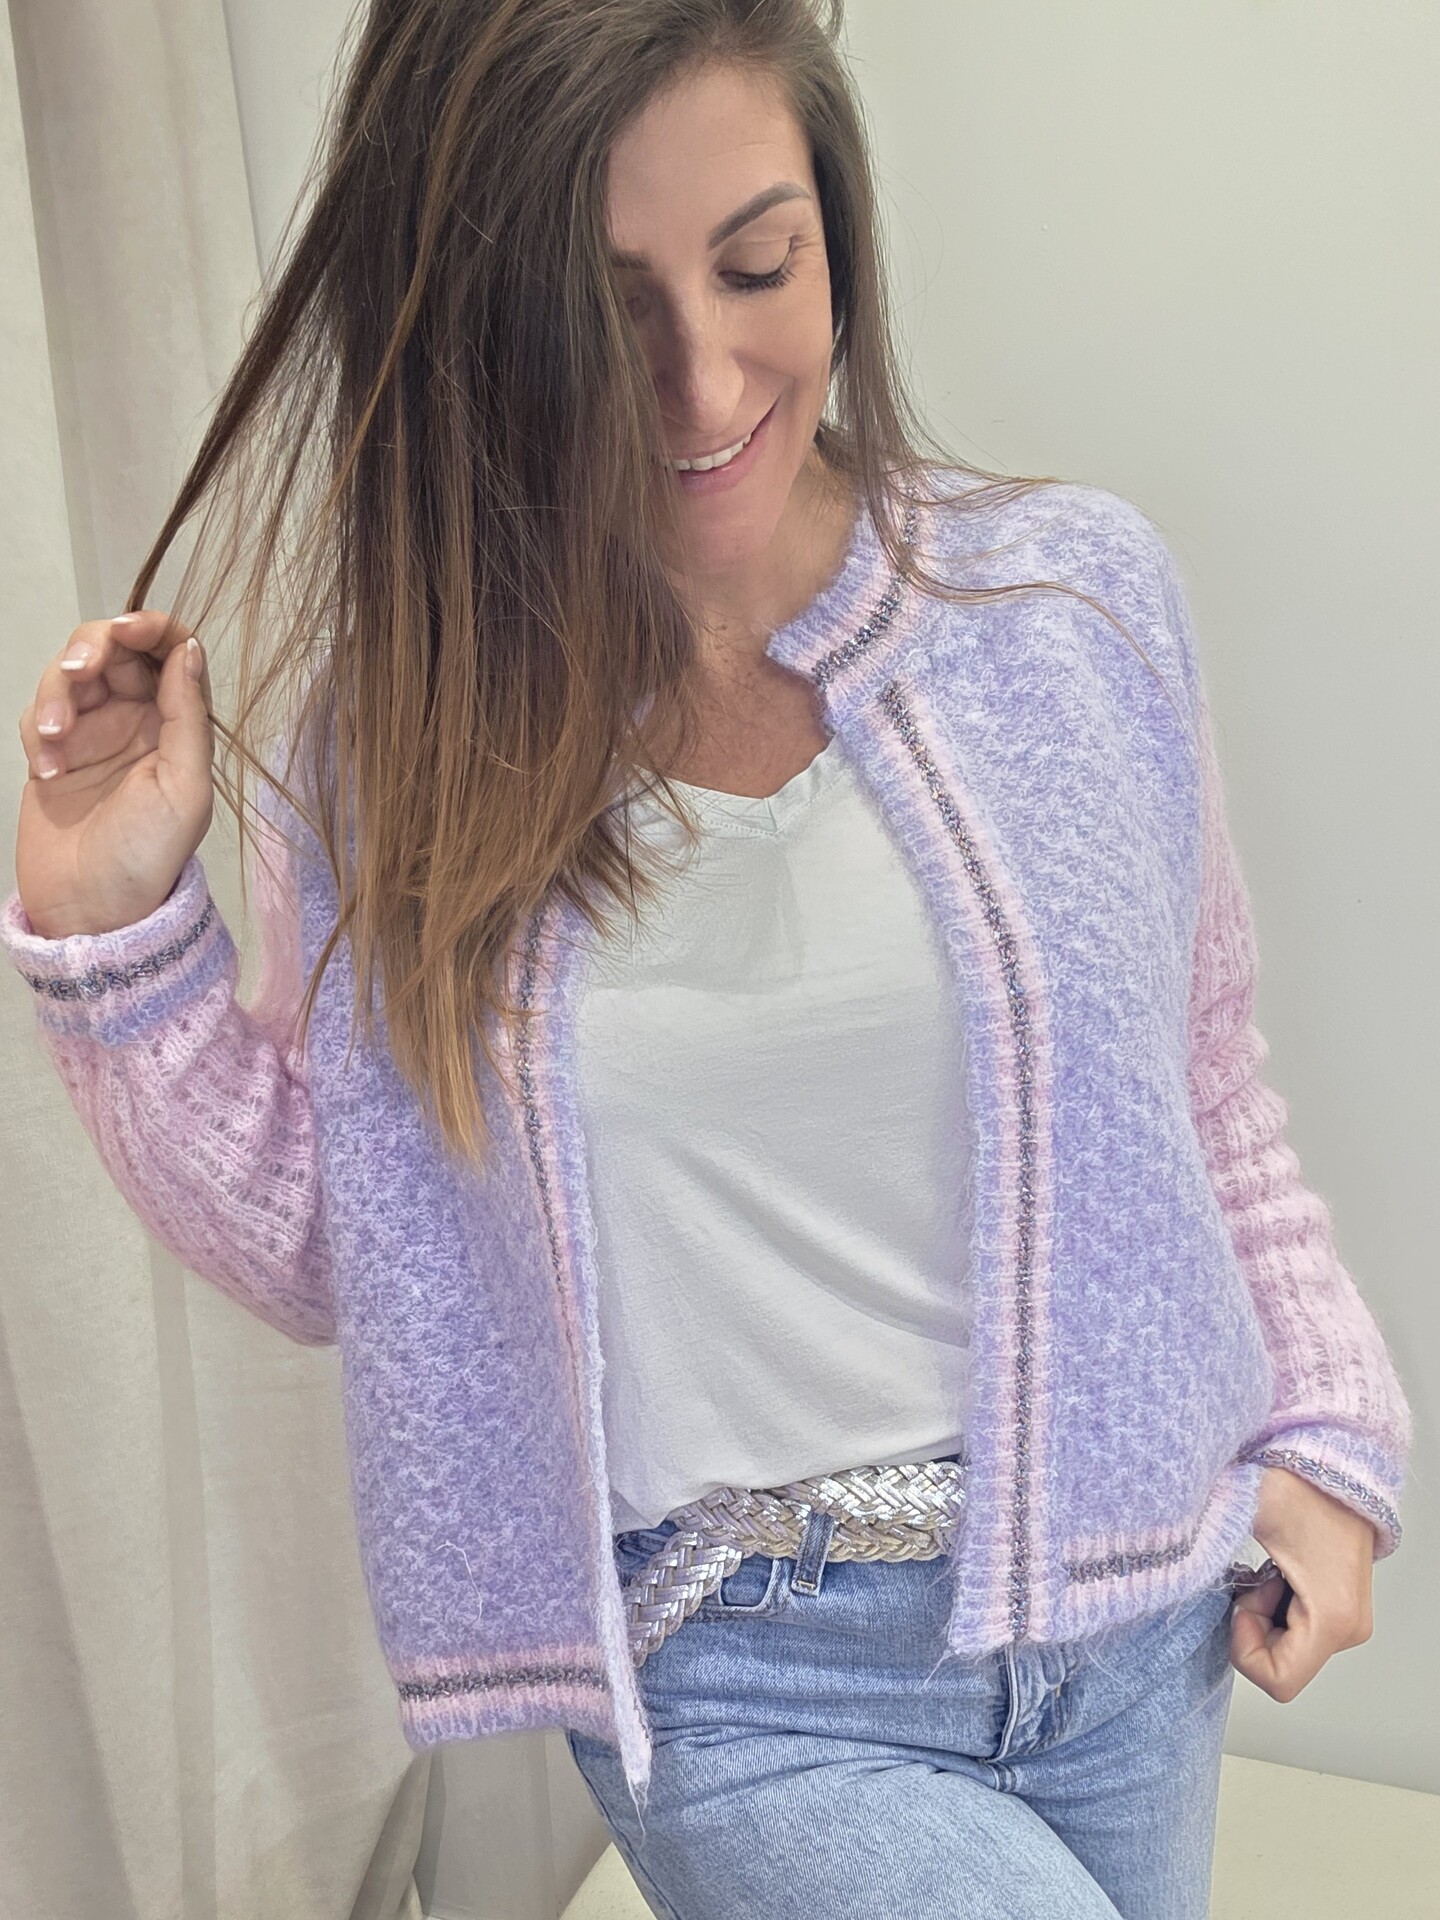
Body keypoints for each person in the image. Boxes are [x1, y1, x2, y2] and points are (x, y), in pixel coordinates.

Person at [4, 4, 1412, 1916]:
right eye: (601, 316)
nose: (700, 381)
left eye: (759, 265)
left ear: (835, 230)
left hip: (1138, 1618)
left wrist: (1325, 1424)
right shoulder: (402, 748)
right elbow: (356, 1243)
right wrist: (119, 940)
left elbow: (1202, 1081)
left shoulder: (1070, 607)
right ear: (483, 327)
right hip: (746, 1678)